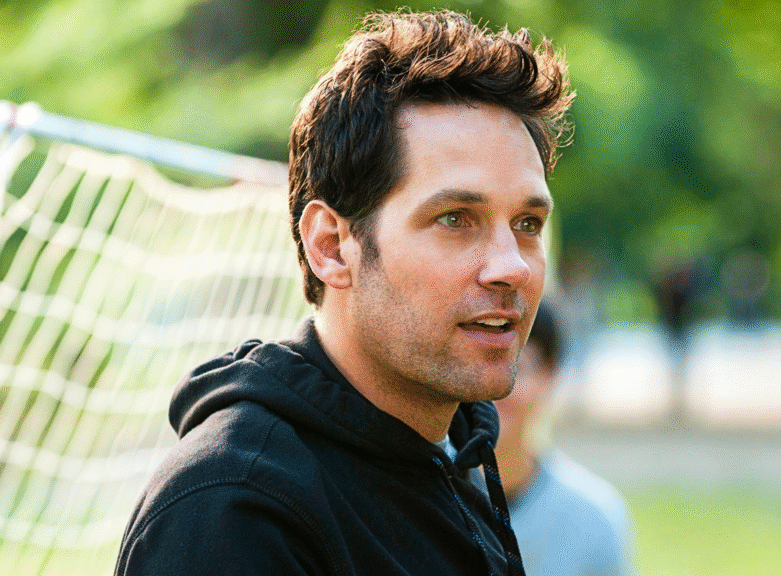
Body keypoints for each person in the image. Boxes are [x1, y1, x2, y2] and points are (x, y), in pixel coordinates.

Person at [114, 8, 573, 576]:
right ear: (331, 246)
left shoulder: (450, 474)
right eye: (456, 219)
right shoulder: (234, 514)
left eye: (527, 224)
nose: (511, 267)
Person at [495, 302, 637, 576]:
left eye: (514, 368)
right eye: (477, 367)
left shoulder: (594, 520)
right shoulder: (418, 503)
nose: (493, 389)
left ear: (550, 375)